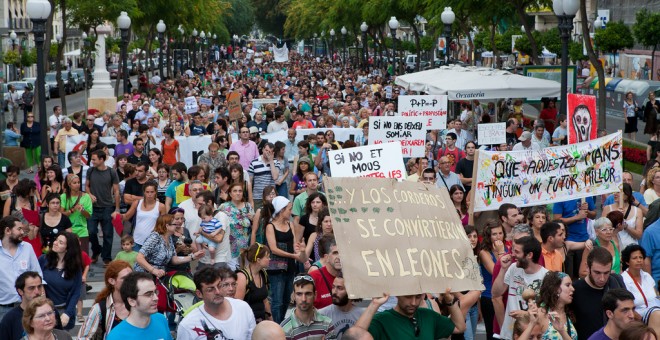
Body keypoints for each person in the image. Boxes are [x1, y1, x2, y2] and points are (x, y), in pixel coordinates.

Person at [492, 236, 549, 340]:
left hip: (533, 335)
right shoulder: (513, 268)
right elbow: (496, 293)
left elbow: (548, 311)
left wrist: (526, 314)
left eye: (517, 252)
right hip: (509, 334)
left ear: (529, 255)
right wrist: (503, 269)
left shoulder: (546, 277)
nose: (513, 255)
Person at [177, 266, 256, 339]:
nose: (218, 292)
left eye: (219, 285)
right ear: (199, 294)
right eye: (210, 289)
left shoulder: (243, 308)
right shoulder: (188, 325)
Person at [354, 289, 466, 339]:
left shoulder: (428, 316)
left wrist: (450, 301)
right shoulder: (382, 320)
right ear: (397, 294)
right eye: (408, 297)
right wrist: (374, 304)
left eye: (418, 297)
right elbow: (355, 336)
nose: (413, 302)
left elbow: (459, 327)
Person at [266, 196, 307, 323]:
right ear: (281, 210)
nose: (291, 212)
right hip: (276, 269)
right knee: (277, 301)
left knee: (285, 301)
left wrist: (300, 251)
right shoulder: (270, 226)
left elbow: (294, 244)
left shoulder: (290, 224)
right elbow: (273, 249)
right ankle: (276, 326)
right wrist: (293, 256)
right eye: (289, 209)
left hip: (290, 267)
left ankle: (281, 325)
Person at [570, 247, 625, 340]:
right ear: (587, 267)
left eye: (606, 273)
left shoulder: (616, 283)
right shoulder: (574, 290)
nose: (602, 278)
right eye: (597, 272)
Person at [0, 216, 43, 321]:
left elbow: (38, 274)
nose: (22, 232)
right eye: (19, 229)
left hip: (29, 306)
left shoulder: (27, 247)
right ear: (7, 230)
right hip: (4, 308)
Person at [133, 214, 203, 278]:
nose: (177, 225)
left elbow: (174, 259)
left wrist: (193, 257)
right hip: (144, 275)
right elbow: (139, 257)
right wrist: (153, 270)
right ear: (167, 226)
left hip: (159, 275)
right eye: (174, 224)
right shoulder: (155, 237)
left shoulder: (168, 237)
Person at [106, 272, 172, 340]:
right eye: (148, 294)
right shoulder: (116, 337)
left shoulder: (161, 319)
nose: (156, 298)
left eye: (155, 292)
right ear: (132, 301)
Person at [77, 260, 133, 339]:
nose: (130, 281)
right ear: (112, 281)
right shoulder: (100, 308)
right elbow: (82, 337)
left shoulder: (140, 304)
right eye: (124, 278)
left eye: (132, 277)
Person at [38, 232, 82, 330]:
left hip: (63, 311)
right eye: (56, 240)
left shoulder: (75, 267)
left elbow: (76, 292)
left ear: (68, 248)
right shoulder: (43, 259)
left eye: (61, 242)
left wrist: (67, 313)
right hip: (44, 310)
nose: (55, 243)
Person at [0, 271, 59, 340]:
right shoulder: (10, 318)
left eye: (39, 286)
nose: (37, 292)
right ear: (20, 291)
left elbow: (59, 335)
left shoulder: (51, 311)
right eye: (31, 288)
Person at [85, 150, 120, 265]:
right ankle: (96, 250)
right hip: (93, 208)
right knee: (91, 231)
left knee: (108, 233)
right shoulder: (90, 171)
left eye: (94, 159)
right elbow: (86, 186)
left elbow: (116, 191)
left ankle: (106, 257)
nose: (92, 161)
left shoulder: (111, 172)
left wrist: (117, 209)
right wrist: (89, 194)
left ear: (101, 159)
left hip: (107, 207)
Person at [280, 274, 334, 339]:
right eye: (299, 294)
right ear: (293, 296)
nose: (303, 299)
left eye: (308, 294)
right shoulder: (284, 329)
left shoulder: (327, 324)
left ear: (315, 295)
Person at [620, 244, 660, 332]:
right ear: (627, 261)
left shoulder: (647, 276)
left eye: (641, 257)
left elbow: (656, 297)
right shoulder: (623, 279)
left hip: (655, 314)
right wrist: (643, 321)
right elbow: (625, 306)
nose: (639, 260)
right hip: (638, 320)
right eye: (635, 258)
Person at [554, 197, 596, 279]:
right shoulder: (561, 197)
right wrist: (577, 217)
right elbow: (556, 220)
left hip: (584, 240)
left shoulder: (586, 195)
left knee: (584, 274)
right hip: (567, 241)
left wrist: (587, 211)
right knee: (569, 275)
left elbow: (594, 215)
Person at [319, 272, 366, 339]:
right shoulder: (322, 314)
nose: (334, 292)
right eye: (333, 287)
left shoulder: (363, 314)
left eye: (340, 288)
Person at [121, 181, 167, 249]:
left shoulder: (161, 206)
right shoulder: (137, 203)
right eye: (147, 192)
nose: (149, 194)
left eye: (152, 192)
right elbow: (127, 216)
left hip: (153, 242)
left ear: (155, 192)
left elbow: (164, 225)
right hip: (137, 240)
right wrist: (118, 215)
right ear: (144, 192)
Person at [534, 271, 577, 340]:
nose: (573, 289)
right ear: (555, 288)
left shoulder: (569, 314)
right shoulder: (541, 314)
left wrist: (562, 331)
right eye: (567, 285)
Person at [236, 243, 272, 323]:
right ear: (258, 260)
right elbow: (238, 306)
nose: (269, 259)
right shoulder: (242, 277)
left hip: (261, 321)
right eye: (267, 257)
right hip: (247, 323)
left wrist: (270, 320)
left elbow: (265, 300)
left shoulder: (263, 274)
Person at [602, 184, 643, 250]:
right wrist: (615, 217)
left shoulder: (637, 211)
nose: (615, 194)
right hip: (612, 247)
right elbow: (602, 229)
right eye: (614, 191)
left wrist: (626, 226)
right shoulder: (607, 208)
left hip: (631, 249)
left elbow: (639, 235)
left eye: (618, 192)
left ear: (626, 195)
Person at [310, 235, 342, 309]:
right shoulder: (314, 277)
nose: (339, 256)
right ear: (326, 257)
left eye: (342, 252)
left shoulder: (348, 276)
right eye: (335, 253)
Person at [249, 142, 281, 210]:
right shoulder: (254, 162)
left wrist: (271, 161)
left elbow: (275, 177)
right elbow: (249, 182)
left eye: (270, 152)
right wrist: (250, 198)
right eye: (266, 150)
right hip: (257, 197)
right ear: (263, 149)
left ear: (273, 153)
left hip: (271, 197)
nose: (267, 153)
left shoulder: (276, 162)